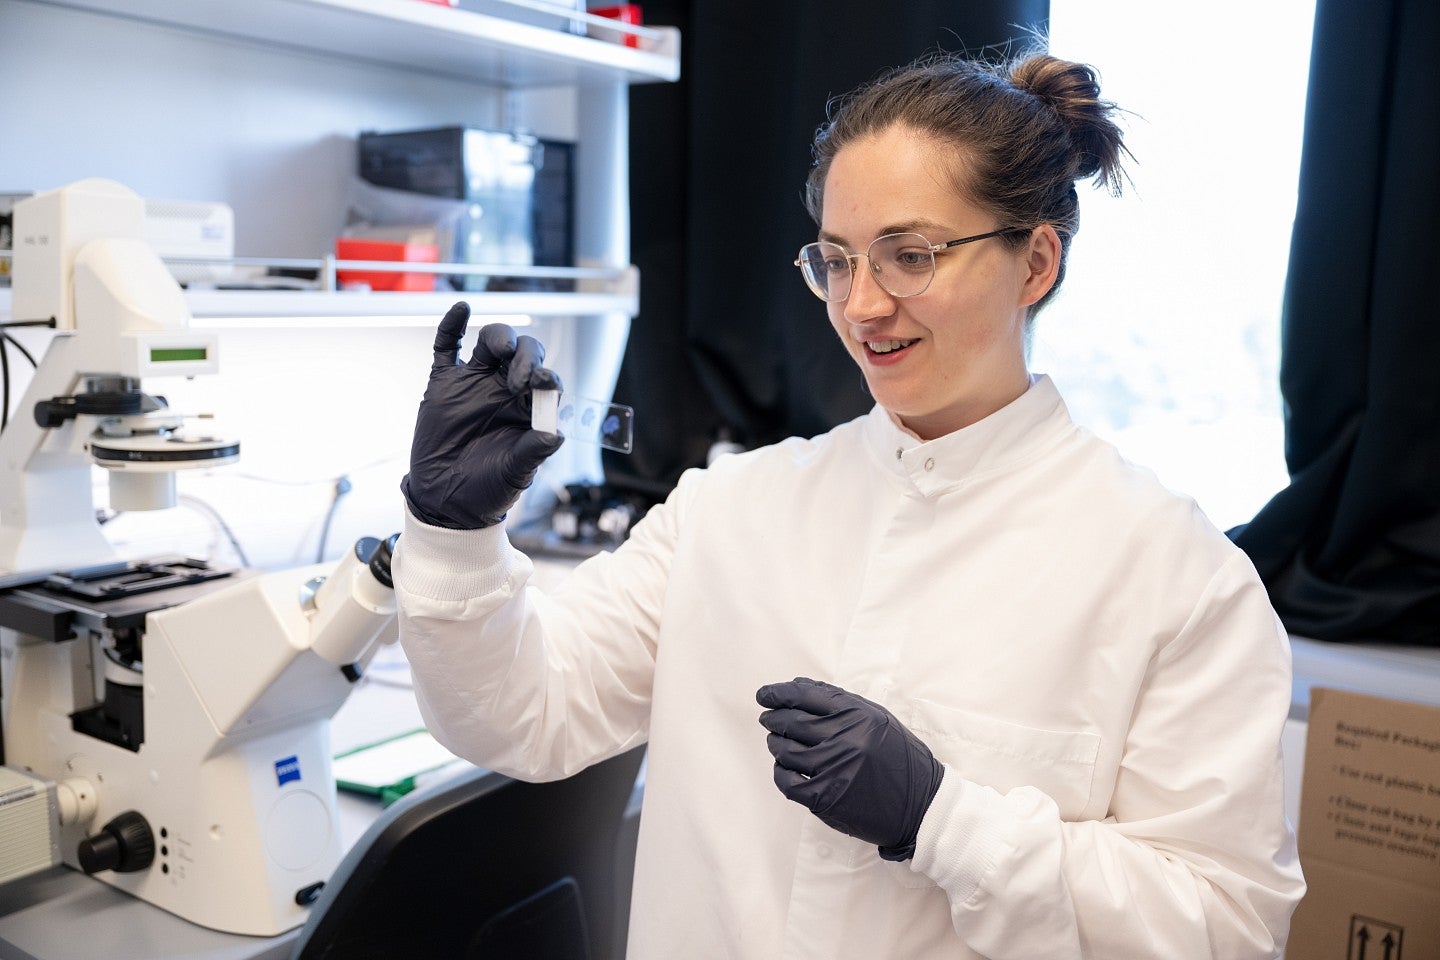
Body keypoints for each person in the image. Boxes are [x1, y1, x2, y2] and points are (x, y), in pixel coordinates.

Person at [394, 48, 1305, 959]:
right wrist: (455, 534)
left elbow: (1225, 925)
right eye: (836, 260)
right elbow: (523, 714)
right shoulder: (730, 510)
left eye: (910, 256)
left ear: (1034, 262)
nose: (862, 305)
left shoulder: (1177, 575)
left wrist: (942, 822)